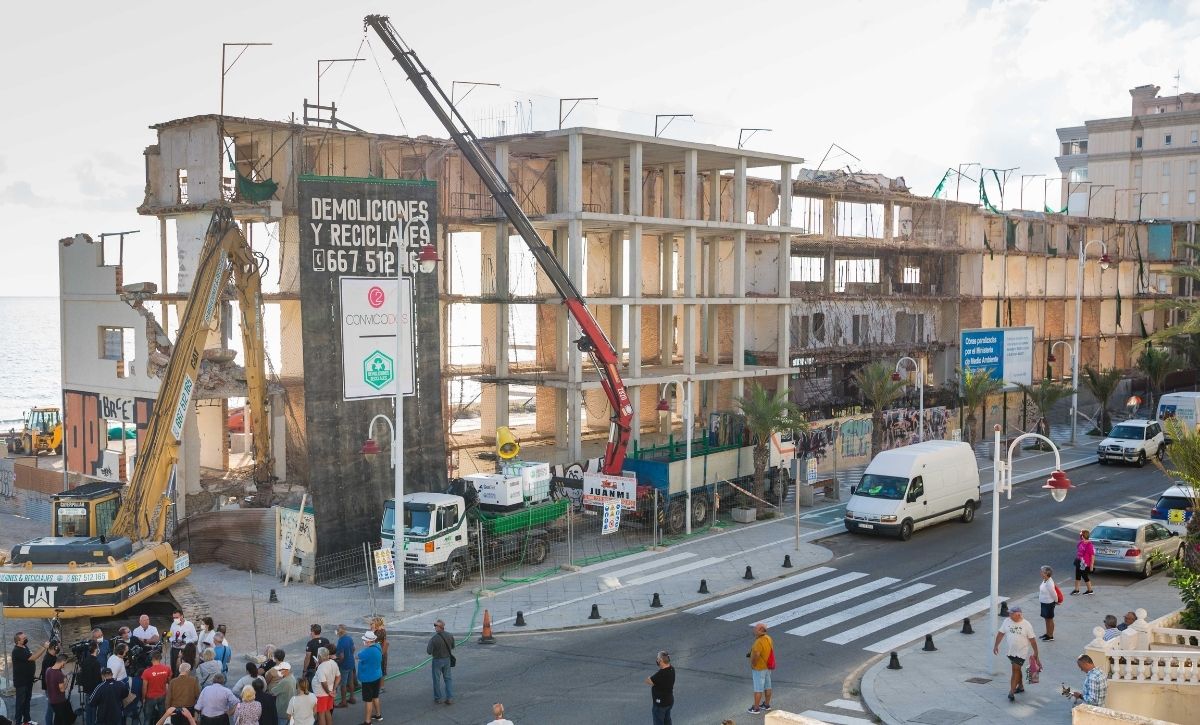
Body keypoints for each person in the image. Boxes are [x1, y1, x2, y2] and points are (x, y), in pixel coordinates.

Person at [993, 605, 1039, 702]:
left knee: (1015, 669)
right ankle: (1021, 686)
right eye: (1009, 613)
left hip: (1022, 651)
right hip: (1011, 651)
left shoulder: (1027, 625)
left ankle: (1012, 692)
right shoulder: (1007, 621)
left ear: (1018, 615)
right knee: (1017, 669)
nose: (1009, 615)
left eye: (1011, 613)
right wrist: (996, 645)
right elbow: (1001, 633)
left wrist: (1036, 653)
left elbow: (1033, 640)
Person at [12, 631, 49, 725]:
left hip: (28, 680)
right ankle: (18, 722)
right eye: (24, 638)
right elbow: (32, 658)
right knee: (20, 703)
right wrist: (44, 647)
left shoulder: (25, 647)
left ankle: (27, 720)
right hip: (21, 682)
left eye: (25, 637)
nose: (26, 639)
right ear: (18, 641)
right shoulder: (17, 651)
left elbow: (30, 657)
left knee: (27, 701)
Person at [355, 632, 383, 725]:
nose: (363, 641)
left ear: (368, 641)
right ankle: (378, 715)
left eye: (364, 640)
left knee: (368, 700)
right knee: (375, 696)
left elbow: (357, 656)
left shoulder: (366, 652)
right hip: (377, 676)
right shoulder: (378, 646)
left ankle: (367, 721)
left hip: (368, 679)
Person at [746, 623, 774, 714]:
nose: (754, 630)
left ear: (760, 630)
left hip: (759, 668)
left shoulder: (758, 642)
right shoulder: (768, 638)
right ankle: (766, 705)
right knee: (768, 686)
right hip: (767, 667)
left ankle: (756, 708)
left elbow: (756, 655)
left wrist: (753, 664)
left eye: (755, 628)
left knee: (758, 688)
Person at [426, 620, 455, 706]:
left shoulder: (434, 639)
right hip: (447, 660)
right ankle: (449, 697)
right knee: (448, 679)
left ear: (440, 627)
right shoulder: (450, 635)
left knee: (436, 680)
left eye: (436, 626)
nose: (435, 627)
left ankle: (438, 698)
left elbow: (429, 651)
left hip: (437, 660)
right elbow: (452, 646)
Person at [142, 650, 174, 725]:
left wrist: (143, 698)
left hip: (150, 697)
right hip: (162, 695)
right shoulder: (167, 669)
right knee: (162, 717)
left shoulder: (146, 672)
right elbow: (169, 682)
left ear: (151, 659)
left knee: (147, 719)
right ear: (160, 658)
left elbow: (144, 687)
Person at [46, 654, 76, 725]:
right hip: (59, 701)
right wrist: (65, 680)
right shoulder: (59, 674)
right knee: (63, 720)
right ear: (62, 661)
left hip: (52, 699)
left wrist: (63, 677)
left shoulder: (48, 670)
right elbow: (62, 689)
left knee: (58, 718)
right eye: (65, 663)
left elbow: (53, 681)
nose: (64, 665)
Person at [645, 650, 674, 725]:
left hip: (660, 705)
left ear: (661, 660)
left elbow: (648, 681)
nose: (657, 660)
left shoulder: (661, 674)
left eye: (657, 659)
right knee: (667, 720)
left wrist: (650, 678)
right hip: (669, 701)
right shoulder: (672, 669)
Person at [79, 641, 105, 725]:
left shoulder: (85, 660)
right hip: (94, 690)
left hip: (87, 689)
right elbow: (98, 679)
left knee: (88, 710)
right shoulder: (96, 663)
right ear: (96, 649)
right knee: (93, 711)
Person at [313, 648, 339, 725]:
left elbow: (323, 683)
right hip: (329, 692)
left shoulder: (321, 668)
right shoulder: (332, 662)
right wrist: (333, 689)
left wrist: (328, 692)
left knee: (321, 714)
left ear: (320, 656)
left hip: (321, 694)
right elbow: (338, 676)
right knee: (327, 711)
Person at [333, 625, 356, 708]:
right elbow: (353, 648)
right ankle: (352, 697)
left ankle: (343, 701)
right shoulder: (349, 638)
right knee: (350, 681)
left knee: (343, 684)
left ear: (339, 632)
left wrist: (337, 661)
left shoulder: (341, 642)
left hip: (344, 665)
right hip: (351, 662)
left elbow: (341, 656)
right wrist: (349, 656)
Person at [40, 640, 61, 725]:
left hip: (51, 688)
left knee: (52, 707)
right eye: (58, 646)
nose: (60, 648)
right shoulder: (49, 659)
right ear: (54, 647)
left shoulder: (52, 657)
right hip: (51, 688)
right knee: (51, 708)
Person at [1038, 565, 1058, 641]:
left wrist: (1056, 601)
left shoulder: (1049, 583)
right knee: (1046, 619)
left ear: (1046, 573)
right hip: (1044, 603)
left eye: (1042, 572)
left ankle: (1050, 636)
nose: (1040, 573)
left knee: (1050, 619)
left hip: (1048, 603)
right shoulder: (1045, 580)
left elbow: (1054, 594)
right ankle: (1047, 634)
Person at [1073, 529, 1096, 595]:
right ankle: (1076, 590)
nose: (1080, 536)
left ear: (1083, 536)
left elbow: (1092, 555)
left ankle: (1090, 590)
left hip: (1085, 564)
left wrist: (1091, 565)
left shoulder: (1089, 545)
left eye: (1081, 535)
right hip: (1079, 561)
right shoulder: (1081, 542)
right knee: (1077, 576)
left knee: (1085, 576)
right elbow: (1079, 550)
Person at [369, 618, 389, 693]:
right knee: (378, 669)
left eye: (372, 624)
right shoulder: (379, 631)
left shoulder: (379, 632)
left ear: (376, 624)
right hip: (378, 652)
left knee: (380, 669)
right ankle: (379, 686)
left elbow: (372, 640)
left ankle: (381, 687)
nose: (370, 625)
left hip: (380, 653)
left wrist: (373, 631)